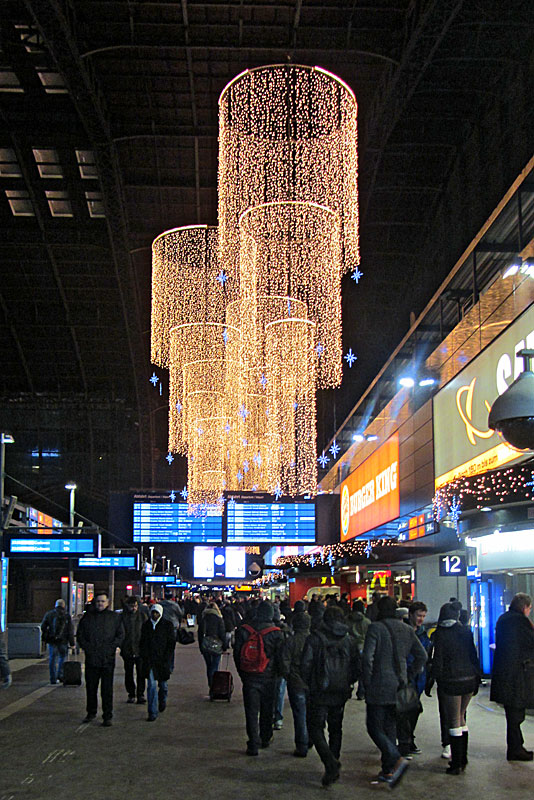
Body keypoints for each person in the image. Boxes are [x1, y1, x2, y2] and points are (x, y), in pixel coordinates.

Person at [362, 596, 427, 787]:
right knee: (390, 727)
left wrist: (367, 682)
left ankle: (395, 758)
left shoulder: (376, 628)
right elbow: (422, 656)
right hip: (399, 685)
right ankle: (388, 770)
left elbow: (367, 658)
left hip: (379, 685)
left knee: (374, 727)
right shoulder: (407, 629)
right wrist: (410, 674)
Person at [300, 605, 361, 786]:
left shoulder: (314, 639)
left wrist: (310, 684)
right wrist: (349, 682)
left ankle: (330, 762)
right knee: (336, 728)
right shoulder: (349, 640)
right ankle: (333, 761)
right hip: (341, 691)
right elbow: (356, 666)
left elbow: (305, 666)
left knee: (315, 728)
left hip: (319, 691)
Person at [425, 602, 480, 774]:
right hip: (469, 679)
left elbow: (438, 661)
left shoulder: (440, 634)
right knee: (462, 717)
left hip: (451, 681)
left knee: (454, 721)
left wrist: (433, 680)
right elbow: (473, 655)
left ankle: (456, 763)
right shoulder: (465, 631)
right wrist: (477, 678)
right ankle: (463, 758)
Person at [234, 600, 284, 756]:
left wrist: (243, 674)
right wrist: (277, 674)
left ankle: (252, 744)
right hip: (269, 677)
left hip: (249, 677)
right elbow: (281, 658)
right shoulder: (276, 632)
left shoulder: (244, 630)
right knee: (267, 709)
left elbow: (237, 655)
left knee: (251, 711)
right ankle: (265, 737)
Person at [491, 592, 534, 761]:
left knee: (512, 713)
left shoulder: (503, 619)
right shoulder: (520, 621)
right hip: (517, 676)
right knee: (517, 713)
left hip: (504, 674)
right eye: (529, 608)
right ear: (524, 607)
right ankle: (516, 749)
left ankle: (516, 747)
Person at [77, 591, 124, 726]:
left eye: (103, 601)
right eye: (98, 601)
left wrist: (112, 647)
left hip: (107, 659)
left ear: (107, 603)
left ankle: (107, 715)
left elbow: (120, 635)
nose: (100, 604)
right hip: (92, 659)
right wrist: (87, 648)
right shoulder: (87, 618)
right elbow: (80, 635)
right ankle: (91, 712)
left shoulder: (114, 618)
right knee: (91, 688)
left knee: (107, 689)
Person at [397, 601, 431, 757]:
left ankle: (408, 739)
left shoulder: (423, 633)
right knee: (408, 709)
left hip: (419, 679)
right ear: (410, 615)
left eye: (423, 616)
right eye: (419, 615)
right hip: (406, 677)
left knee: (414, 709)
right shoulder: (403, 631)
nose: (421, 619)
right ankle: (406, 741)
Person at [280, 607, 311, 757]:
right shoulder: (315, 640)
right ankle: (311, 739)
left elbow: (285, 662)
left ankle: (301, 745)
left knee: (299, 714)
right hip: (312, 683)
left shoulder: (290, 641)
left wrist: (289, 677)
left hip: (296, 682)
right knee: (312, 713)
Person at [139, 603, 176, 721]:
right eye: (153, 612)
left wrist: (168, 659)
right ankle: (152, 712)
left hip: (163, 660)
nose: (155, 615)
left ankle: (162, 699)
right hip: (150, 660)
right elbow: (142, 643)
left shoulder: (167, 625)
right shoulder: (146, 626)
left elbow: (171, 644)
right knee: (151, 685)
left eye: (157, 613)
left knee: (163, 685)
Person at [120, 596, 148, 704]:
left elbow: (146, 632)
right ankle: (131, 693)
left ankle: (140, 694)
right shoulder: (123, 617)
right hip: (127, 649)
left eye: (136, 606)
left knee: (141, 673)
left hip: (140, 649)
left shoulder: (142, 616)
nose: (134, 608)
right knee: (129, 673)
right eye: (132, 606)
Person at [41, 599, 75, 684]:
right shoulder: (67, 616)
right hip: (63, 641)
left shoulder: (49, 614)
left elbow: (43, 626)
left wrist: (47, 635)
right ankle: (60, 675)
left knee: (52, 659)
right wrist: (72, 643)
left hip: (52, 641)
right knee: (62, 658)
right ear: (64, 606)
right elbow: (70, 631)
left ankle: (52, 679)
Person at [198, 601, 226, 690]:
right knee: (215, 666)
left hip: (206, 645)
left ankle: (211, 685)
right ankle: (215, 687)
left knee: (209, 666)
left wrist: (201, 647)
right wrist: (224, 646)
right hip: (217, 645)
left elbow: (200, 634)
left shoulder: (204, 619)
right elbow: (222, 633)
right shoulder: (219, 619)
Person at [347, 599, 370, 699]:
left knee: (348, 670)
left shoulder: (347, 619)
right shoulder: (367, 622)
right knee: (362, 671)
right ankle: (361, 692)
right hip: (362, 646)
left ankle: (348, 689)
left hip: (349, 646)